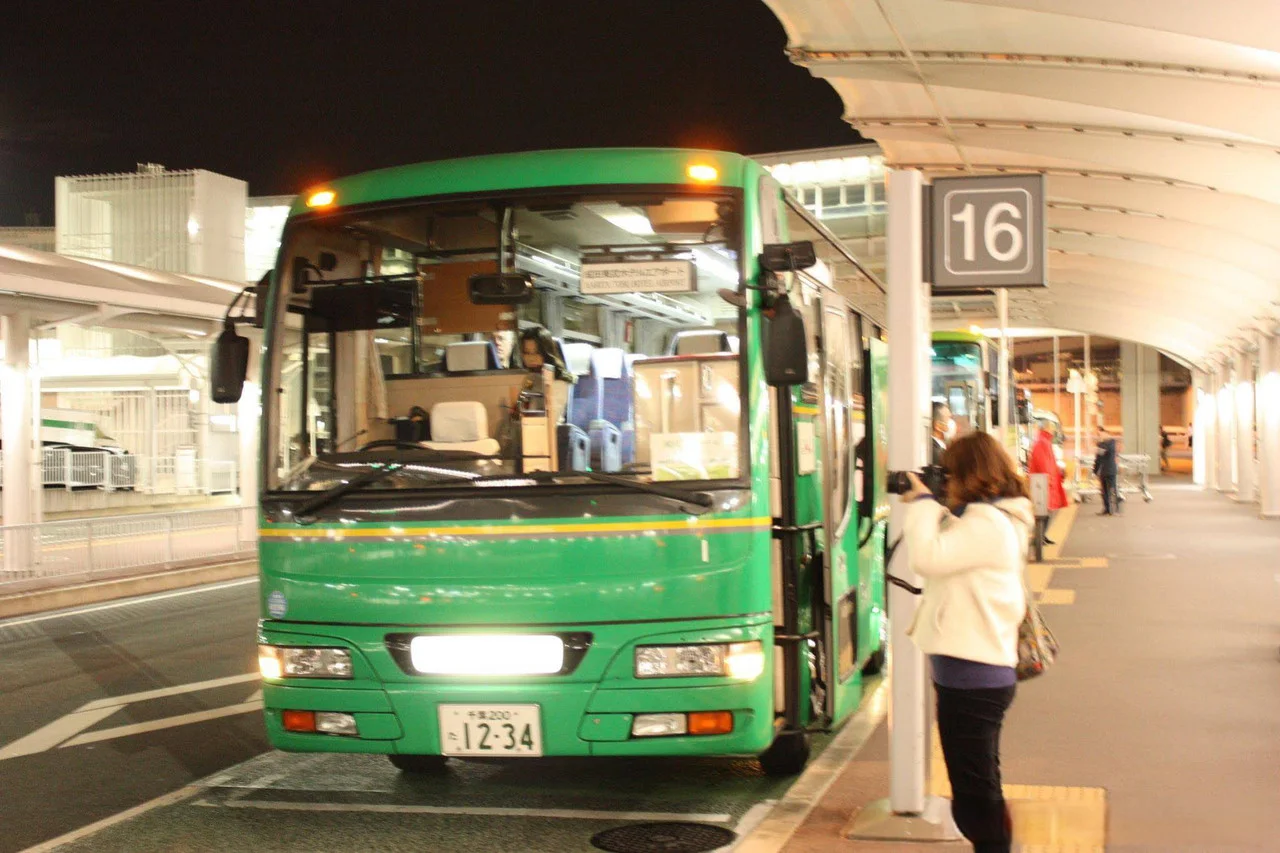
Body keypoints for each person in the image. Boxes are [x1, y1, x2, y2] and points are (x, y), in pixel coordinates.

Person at [900, 432, 1033, 853]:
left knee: (974, 790)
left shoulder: (988, 523)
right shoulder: (986, 518)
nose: (945, 480)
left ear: (967, 473)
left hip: (974, 677)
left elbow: (926, 558)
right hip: (972, 673)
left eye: (949, 471)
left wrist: (922, 504)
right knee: (977, 781)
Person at [1027, 426, 1067, 544]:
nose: (1053, 431)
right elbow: (1043, 463)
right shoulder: (1042, 443)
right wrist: (1049, 478)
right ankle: (1039, 536)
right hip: (1044, 482)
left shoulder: (1043, 442)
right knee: (1043, 510)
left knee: (1046, 510)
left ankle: (1042, 536)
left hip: (1046, 481)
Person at [1092, 427, 1119, 515]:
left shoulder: (1110, 443)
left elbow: (1102, 454)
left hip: (1109, 470)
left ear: (1105, 433)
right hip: (1105, 470)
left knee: (1112, 490)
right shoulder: (1104, 444)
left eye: (1099, 434)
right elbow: (1098, 459)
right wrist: (1095, 471)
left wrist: (1100, 445)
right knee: (1105, 491)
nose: (1099, 436)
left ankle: (1114, 509)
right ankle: (1108, 509)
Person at [931, 402, 956, 466]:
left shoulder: (940, 449)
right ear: (937, 426)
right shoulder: (935, 453)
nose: (952, 422)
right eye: (949, 418)